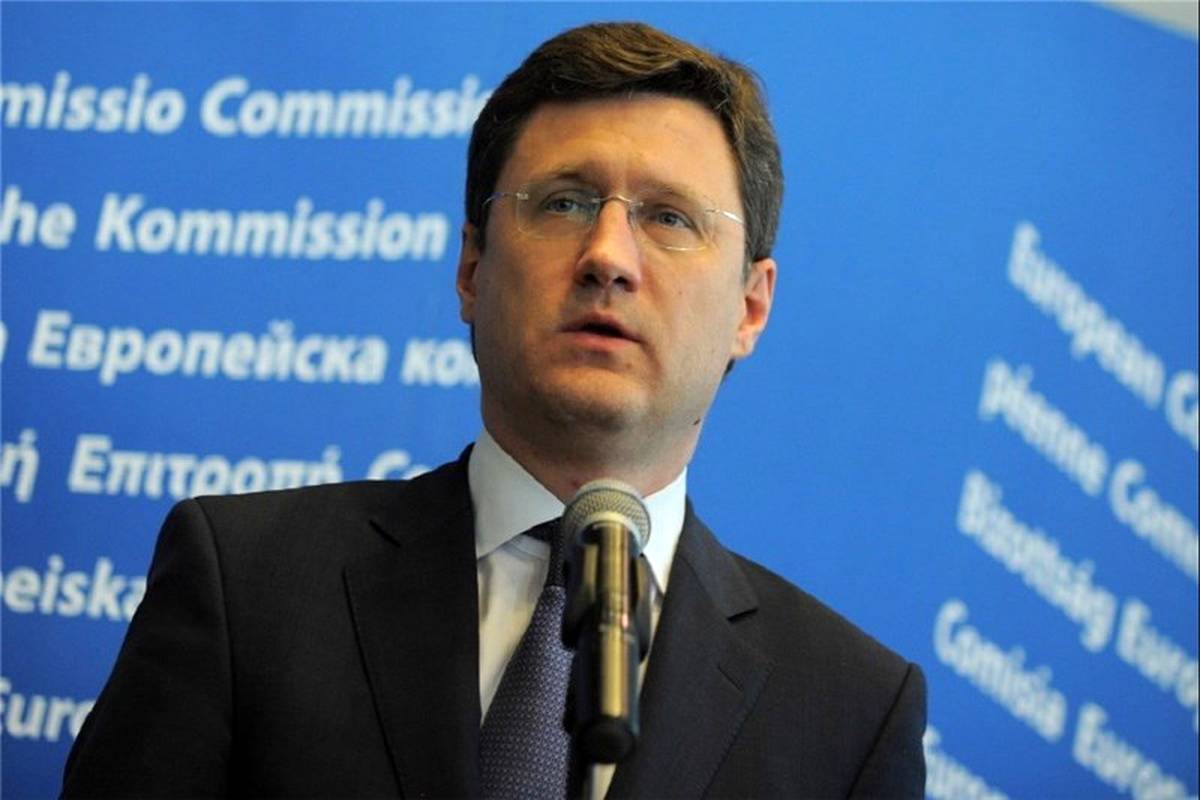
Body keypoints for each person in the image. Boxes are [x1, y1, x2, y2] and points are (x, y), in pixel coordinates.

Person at [61, 21, 926, 799]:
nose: (607, 256)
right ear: (471, 267)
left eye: (668, 218)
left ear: (750, 306)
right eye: (563, 202)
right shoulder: (247, 582)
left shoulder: (852, 713)